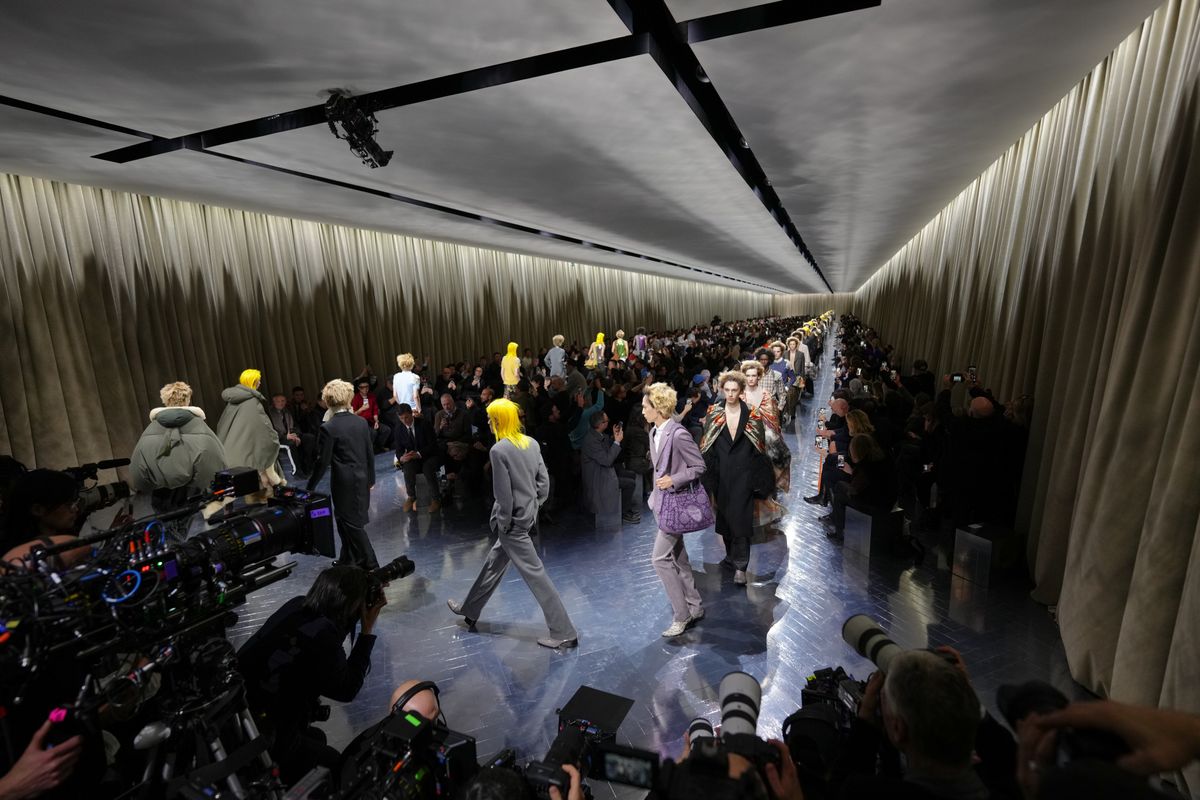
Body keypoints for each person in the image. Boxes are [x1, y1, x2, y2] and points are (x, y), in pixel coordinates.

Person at [237, 565, 385, 787]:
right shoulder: (324, 639)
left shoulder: (297, 606)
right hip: (269, 734)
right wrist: (366, 630)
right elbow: (347, 688)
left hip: (244, 716)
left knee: (317, 738)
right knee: (337, 765)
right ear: (350, 605)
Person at [447, 399, 578, 649]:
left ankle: (564, 632)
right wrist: (532, 508)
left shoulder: (499, 451)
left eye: (490, 418)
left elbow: (503, 496)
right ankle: (470, 609)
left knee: (536, 576)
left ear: (499, 421)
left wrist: (505, 522)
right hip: (525, 519)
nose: (487, 422)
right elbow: (544, 485)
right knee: (493, 563)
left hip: (511, 525)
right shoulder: (532, 443)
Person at [643, 383, 706, 637]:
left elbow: (699, 466)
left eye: (645, 407)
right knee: (678, 557)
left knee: (659, 559)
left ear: (658, 408)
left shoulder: (678, 434)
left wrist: (674, 479)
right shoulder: (653, 432)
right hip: (661, 503)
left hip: (675, 505)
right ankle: (695, 606)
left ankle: (682, 615)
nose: (642, 411)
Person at [699, 371, 771, 587]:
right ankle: (730, 557)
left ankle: (741, 566)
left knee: (741, 520)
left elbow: (759, 448)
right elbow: (707, 444)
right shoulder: (714, 413)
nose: (730, 394)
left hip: (744, 474)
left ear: (741, 391)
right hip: (721, 474)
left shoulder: (752, 415)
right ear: (722, 390)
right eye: (727, 390)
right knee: (725, 518)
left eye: (734, 390)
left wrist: (759, 478)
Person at [306, 379, 379, 569]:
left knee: (352, 525)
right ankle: (348, 558)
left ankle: (372, 566)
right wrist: (371, 479)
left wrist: (310, 486)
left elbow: (322, 462)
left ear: (328, 400)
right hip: (362, 478)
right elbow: (369, 453)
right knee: (344, 520)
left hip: (344, 483)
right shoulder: (360, 422)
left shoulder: (329, 428)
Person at [129, 381, 227, 516]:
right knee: (187, 522)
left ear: (165, 400)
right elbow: (213, 463)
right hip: (191, 492)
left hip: (160, 492)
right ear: (187, 399)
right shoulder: (201, 429)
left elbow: (138, 467)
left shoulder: (150, 432)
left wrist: (147, 484)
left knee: (165, 521)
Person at [216, 368, 285, 496]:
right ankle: (266, 495)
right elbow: (263, 426)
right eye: (258, 380)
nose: (260, 383)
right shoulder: (252, 401)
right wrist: (273, 437)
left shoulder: (233, 400)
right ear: (253, 382)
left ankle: (254, 498)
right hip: (250, 445)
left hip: (232, 447)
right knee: (263, 465)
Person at [740, 361, 790, 532]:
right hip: (744, 438)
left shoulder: (766, 395)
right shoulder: (739, 395)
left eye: (754, 375)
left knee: (774, 464)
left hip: (766, 438)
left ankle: (769, 505)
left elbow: (772, 419)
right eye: (748, 375)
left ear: (759, 376)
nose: (751, 378)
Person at [580, 411, 640, 524]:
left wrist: (614, 437)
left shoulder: (597, 435)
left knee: (630, 474)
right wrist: (617, 442)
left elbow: (607, 450)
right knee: (630, 483)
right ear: (601, 424)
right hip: (599, 479)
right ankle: (624, 513)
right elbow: (607, 460)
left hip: (604, 471)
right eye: (607, 421)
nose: (608, 423)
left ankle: (625, 507)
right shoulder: (591, 441)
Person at [394, 403, 441, 513]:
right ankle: (411, 496)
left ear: (411, 414)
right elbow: (398, 450)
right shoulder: (399, 429)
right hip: (413, 457)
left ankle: (436, 499)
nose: (404, 421)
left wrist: (419, 454)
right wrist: (402, 458)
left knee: (427, 468)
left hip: (429, 455)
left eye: (406, 417)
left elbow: (433, 445)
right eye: (401, 418)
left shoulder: (424, 424)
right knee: (407, 467)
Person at [268, 392, 315, 476]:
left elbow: (295, 425)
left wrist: (296, 435)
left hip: (291, 435)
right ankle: (297, 471)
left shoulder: (287, 411)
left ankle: (308, 466)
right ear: (273, 402)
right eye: (278, 401)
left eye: (283, 401)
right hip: (278, 438)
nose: (281, 403)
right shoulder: (269, 413)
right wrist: (285, 436)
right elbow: (269, 431)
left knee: (309, 438)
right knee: (291, 443)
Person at [352, 378, 393, 453]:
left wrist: (376, 421)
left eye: (367, 387)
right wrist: (361, 409)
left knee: (386, 430)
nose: (365, 389)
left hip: (372, 421)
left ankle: (378, 447)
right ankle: (370, 450)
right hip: (362, 423)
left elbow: (375, 411)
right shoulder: (356, 398)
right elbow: (353, 414)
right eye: (362, 387)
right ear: (358, 388)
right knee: (373, 433)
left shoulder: (371, 396)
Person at [392, 353, 422, 417]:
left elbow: (395, 395)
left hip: (402, 409)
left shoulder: (396, 376)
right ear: (412, 364)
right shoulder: (415, 377)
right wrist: (419, 410)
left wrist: (401, 405)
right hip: (413, 409)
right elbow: (416, 396)